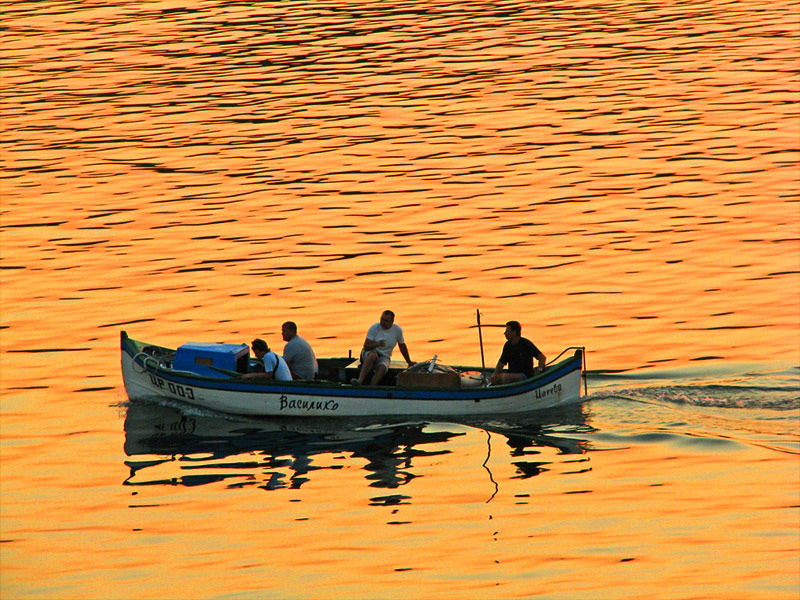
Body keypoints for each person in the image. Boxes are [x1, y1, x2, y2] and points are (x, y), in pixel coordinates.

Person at [355, 310, 413, 385]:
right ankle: (359, 381)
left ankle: (372, 386)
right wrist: (377, 344)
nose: (383, 322)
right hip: (369, 353)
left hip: (385, 356)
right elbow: (366, 347)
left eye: (386, 321)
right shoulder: (374, 328)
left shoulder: (397, 330)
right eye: (382, 319)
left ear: (392, 322)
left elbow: (402, 346)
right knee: (373, 355)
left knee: (382, 367)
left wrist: (409, 361)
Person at [490, 320, 545, 385]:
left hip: (525, 375)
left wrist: (539, 370)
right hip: (512, 373)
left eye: (507, 331)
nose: (505, 333)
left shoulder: (525, 343)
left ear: (514, 332)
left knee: (505, 377)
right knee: (496, 378)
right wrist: (495, 374)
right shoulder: (507, 345)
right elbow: (501, 363)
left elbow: (542, 357)